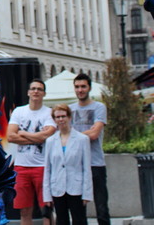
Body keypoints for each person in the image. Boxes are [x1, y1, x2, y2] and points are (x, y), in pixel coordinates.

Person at [6, 79, 56, 225]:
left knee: (46, 209)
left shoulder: (49, 113)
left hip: (43, 166)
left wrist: (22, 133)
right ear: (28, 92)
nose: (36, 91)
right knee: (24, 210)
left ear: (44, 93)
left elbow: (47, 136)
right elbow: (10, 137)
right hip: (21, 166)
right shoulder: (19, 111)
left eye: (39, 89)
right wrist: (37, 138)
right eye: (33, 88)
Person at [70, 73, 110, 225]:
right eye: (77, 87)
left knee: (101, 207)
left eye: (83, 86)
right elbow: (64, 135)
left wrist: (74, 135)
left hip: (96, 162)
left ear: (89, 88)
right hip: (76, 164)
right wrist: (82, 134)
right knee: (78, 209)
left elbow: (94, 134)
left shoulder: (99, 107)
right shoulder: (70, 109)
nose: (80, 90)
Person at [42, 105, 92, 225]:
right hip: (57, 187)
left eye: (63, 116)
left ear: (69, 117)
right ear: (54, 119)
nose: (61, 119)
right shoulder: (50, 141)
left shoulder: (82, 139)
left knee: (79, 220)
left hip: (76, 187)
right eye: (58, 117)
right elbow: (48, 169)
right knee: (61, 220)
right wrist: (47, 195)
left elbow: (86, 168)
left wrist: (87, 193)